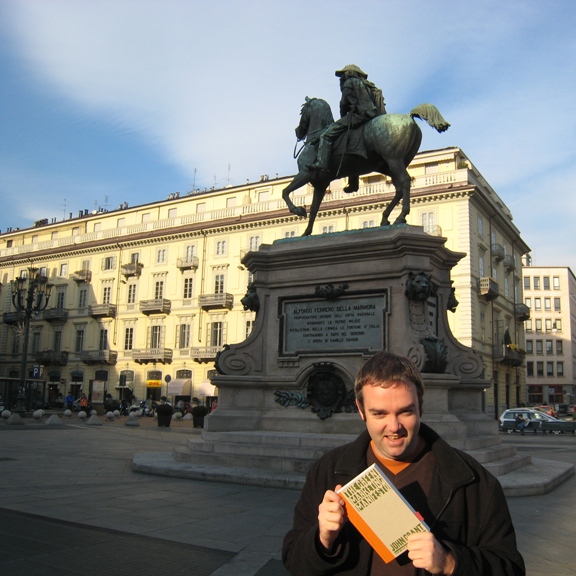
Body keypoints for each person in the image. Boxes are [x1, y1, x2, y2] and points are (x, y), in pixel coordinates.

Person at [283, 352, 525, 575]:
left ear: (421, 406)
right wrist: (322, 539)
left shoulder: (473, 481)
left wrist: (451, 562)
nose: (394, 427)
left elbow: (510, 567)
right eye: (379, 414)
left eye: (405, 412)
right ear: (361, 410)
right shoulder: (327, 471)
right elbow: (294, 561)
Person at [308, 64, 386, 191]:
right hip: (373, 116)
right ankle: (353, 183)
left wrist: (344, 116)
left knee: (326, 135)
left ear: (349, 74)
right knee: (352, 148)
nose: (341, 78)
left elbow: (344, 104)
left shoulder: (349, 83)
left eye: (343, 75)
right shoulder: (369, 85)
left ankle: (321, 165)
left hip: (358, 116)